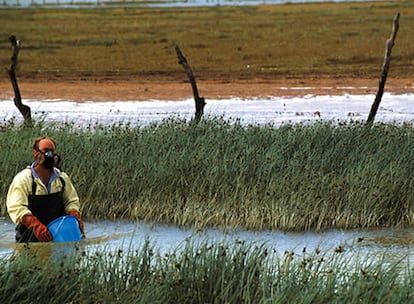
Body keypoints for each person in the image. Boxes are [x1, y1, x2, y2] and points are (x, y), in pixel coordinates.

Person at [6, 136, 85, 242]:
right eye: (46, 151)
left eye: (52, 151)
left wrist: (75, 217)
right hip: (29, 238)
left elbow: (72, 201)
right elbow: (16, 207)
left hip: (58, 235)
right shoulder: (23, 179)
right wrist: (36, 226)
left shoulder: (62, 178)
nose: (50, 155)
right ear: (36, 153)